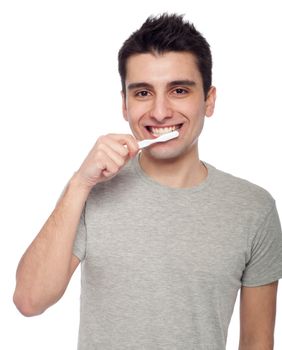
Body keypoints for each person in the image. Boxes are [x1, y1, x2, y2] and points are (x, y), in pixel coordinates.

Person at [13, 13, 282, 350]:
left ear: (209, 101)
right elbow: (29, 300)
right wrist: (80, 184)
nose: (159, 112)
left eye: (179, 90)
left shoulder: (253, 209)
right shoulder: (91, 190)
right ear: (124, 104)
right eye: (142, 93)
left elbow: (258, 341)